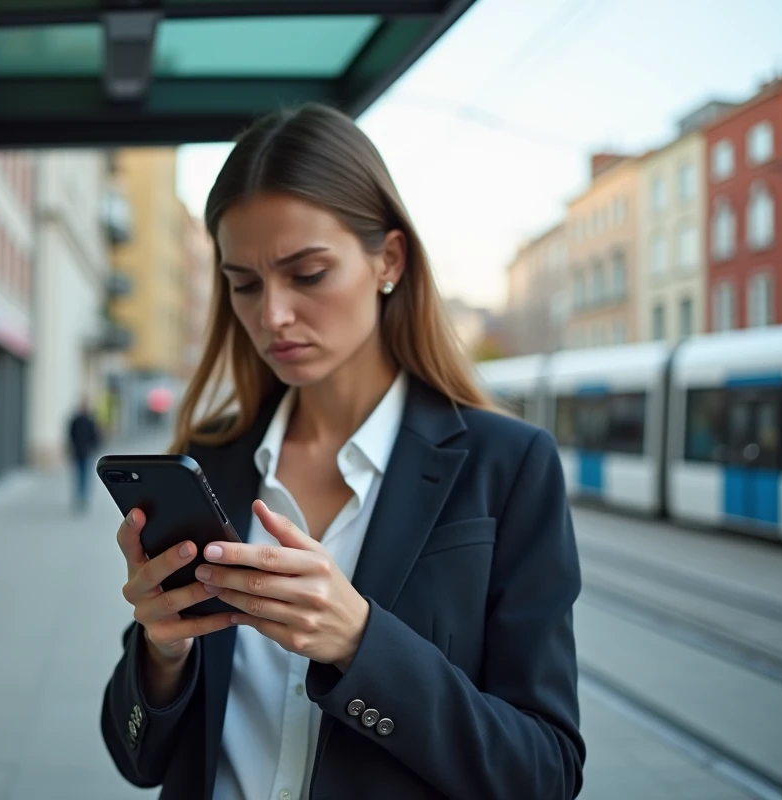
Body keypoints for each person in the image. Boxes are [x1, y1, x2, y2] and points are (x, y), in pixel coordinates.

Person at [100, 103, 585, 799]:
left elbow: (545, 773)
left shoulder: (508, 467)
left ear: (388, 260)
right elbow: (136, 759)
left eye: (308, 273)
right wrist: (161, 650)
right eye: (244, 284)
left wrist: (361, 643)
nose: (271, 316)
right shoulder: (210, 462)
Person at [67, 398, 100, 511]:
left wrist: (94, 447)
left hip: (86, 453)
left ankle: (84, 498)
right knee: (79, 475)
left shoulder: (90, 421)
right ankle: (79, 497)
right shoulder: (76, 421)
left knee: (85, 476)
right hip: (78, 452)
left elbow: (95, 436)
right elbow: (71, 435)